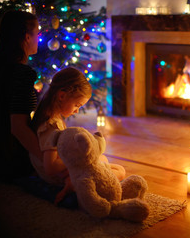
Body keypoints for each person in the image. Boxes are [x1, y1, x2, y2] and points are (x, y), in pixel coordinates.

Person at [30, 67, 125, 204]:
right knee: (120, 171)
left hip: (65, 171)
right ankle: (77, 185)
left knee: (104, 159)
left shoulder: (52, 117)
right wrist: (80, 157)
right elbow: (50, 168)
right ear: (62, 96)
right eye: (77, 105)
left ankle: (78, 183)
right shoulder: (51, 125)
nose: (76, 111)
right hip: (58, 176)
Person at [0, 10, 42, 180]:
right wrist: (46, 159)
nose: (38, 38)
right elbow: (19, 128)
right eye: (37, 33)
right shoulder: (21, 74)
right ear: (27, 37)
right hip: (10, 162)